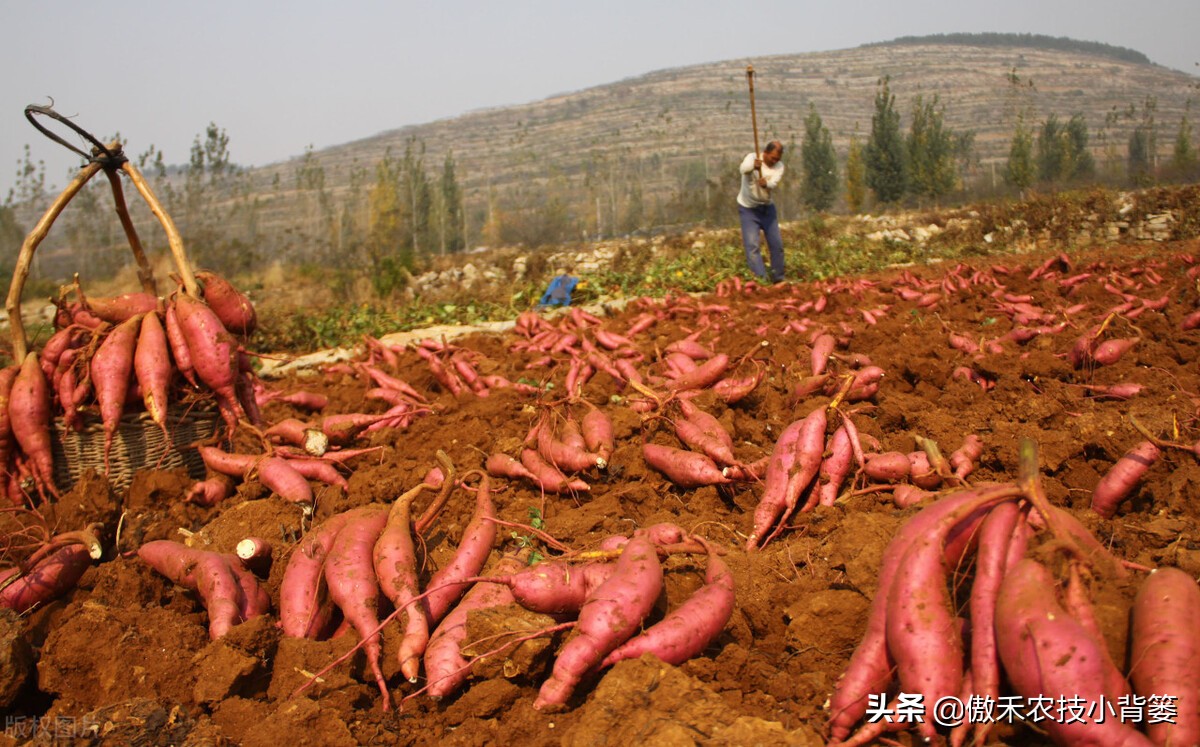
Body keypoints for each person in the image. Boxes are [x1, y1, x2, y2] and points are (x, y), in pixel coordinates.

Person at [736, 140, 786, 283]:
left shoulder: (779, 166)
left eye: (777, 159)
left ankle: (778, 279)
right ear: (765, 153)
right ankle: (761, 281)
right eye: (773, 158)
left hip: (767, 209)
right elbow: (743, 169)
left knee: (777, 245)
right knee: (752, 246)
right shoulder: (752, 158)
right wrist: (753, 166)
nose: (775, 161)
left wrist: (766, 184)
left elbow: (773, 183)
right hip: (748, 210)